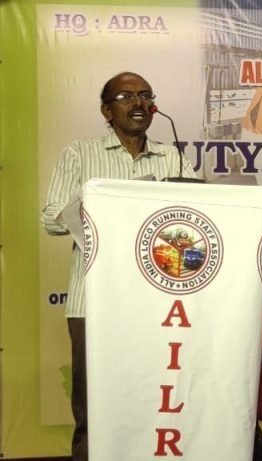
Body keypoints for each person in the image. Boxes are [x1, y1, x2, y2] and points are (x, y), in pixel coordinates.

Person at [40, 72, 196, 461]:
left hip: (159, 304)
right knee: (95, 405)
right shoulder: (79, 154)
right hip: (94, 302)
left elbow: (197, 215)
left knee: (156, 399)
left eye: (145, 95)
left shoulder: (172, 157)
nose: (138, 103)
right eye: (126, 96)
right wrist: (103, 208)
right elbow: (50, 219)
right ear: (106, 111)